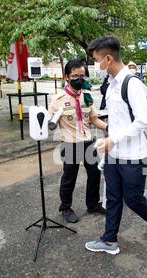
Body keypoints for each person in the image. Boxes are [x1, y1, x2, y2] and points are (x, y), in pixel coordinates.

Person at [85, 36, 147, 255]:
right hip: (114, 154)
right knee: (112, 197)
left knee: (134, 199)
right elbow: (118, 120)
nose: (95, 65)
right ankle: (109, 240)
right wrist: (108, 141)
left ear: (108, 59)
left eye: (96, 60)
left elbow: (143, 121)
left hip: (134, 155)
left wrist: (114, 139)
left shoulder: (132, 84)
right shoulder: (111, 85)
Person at [49, 59, 108, 223]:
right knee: (69, 177)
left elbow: (94, 119)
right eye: (75, 76)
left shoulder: (87, 96)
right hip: (69, 143)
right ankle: (65, 208)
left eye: (82, 76)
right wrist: (50, 122)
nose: (79, 79)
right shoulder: (57, 99)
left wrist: (109, 128)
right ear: (67, 77)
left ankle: (93, 204)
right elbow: (50, 123)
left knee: (95, 173)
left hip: (88, 141)